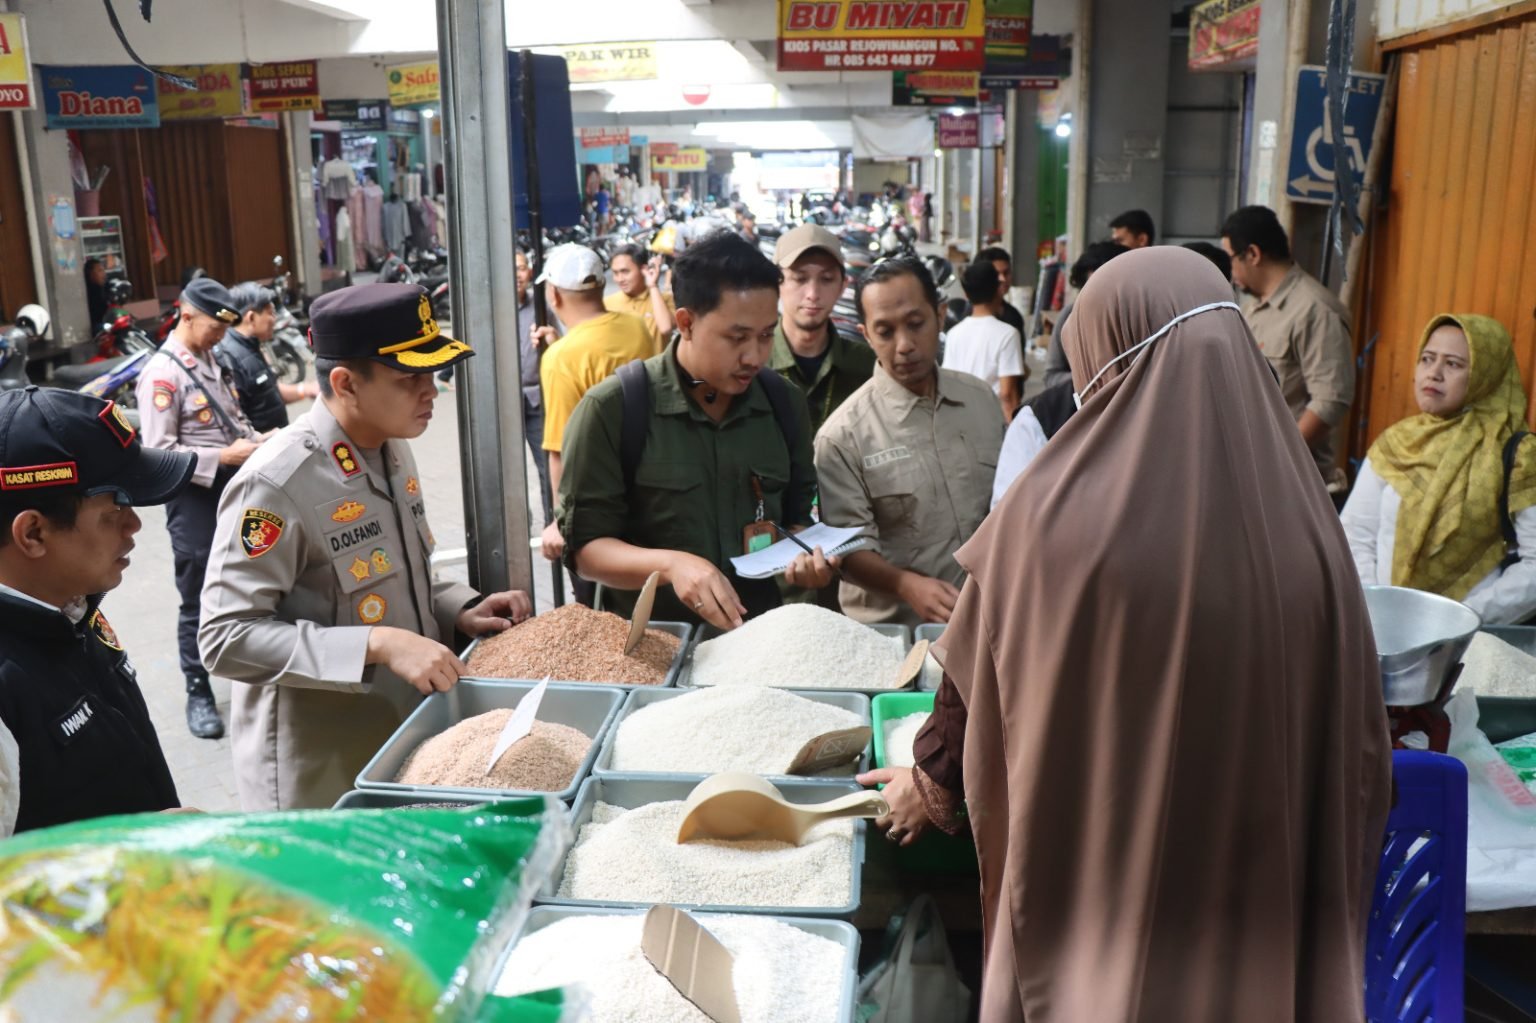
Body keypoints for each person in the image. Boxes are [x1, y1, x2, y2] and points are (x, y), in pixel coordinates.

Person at [862, 246, 1390, 1021]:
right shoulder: (1310, 523)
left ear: (1117, 359)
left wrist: (929, 776)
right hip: (1258, 907)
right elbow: (1363, 748)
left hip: (1107, 897)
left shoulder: (1051, 523)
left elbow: (974, 690)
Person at [199, 282, 533, 811]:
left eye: (433, 373)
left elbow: (389, 570)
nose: (431, 391)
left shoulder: (389, 443)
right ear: (345, 383)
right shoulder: (278, 482)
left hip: (399, 736)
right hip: (321, 771)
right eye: (410, 378)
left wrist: (459, 609)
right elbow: (224, 636)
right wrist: (376, 644)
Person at [555, 231, 837, 629]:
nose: (755, 356)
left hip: (759, 638)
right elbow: (585, 550)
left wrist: (808, 556)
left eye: (765, 334)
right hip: (652, 644)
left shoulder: (783, 404)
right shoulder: (614, 409)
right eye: (736, 337)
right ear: (685, 322)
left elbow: (798, 517)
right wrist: (670, 565)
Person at [0, 388, 196, 835]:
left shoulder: (68, 607)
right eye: (114, 511)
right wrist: (123, 858)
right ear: (33, 533)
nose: (134, 525)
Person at [815, 258, 1005, 627]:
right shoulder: (842, 436)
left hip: (989, 623)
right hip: (895, 637)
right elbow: (851, 549)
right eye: (885, 331)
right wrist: (905, 585)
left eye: (916, 324)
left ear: (940, 315)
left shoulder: (981, 400)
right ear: (866, 334)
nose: (904, 345)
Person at [135, 277, 265, 741]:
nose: (219, 337)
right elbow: (156, 452)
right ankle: (198, 689)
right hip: (193, 499)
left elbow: (231, 416)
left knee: (249, 579)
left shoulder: (212, 358)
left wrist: (256, 441)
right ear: (185, 315)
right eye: (213, 327)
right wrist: (222, 457)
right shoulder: (162, 375)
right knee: (197, 596)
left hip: (236, 489)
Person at [1342, 313, 1536, 623]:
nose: (1433, 373)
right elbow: (1355, 534)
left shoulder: (1518, 455)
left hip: (1470, 643)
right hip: (1381, 629)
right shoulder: (1395, 443)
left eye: (1454, 364)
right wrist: (1378, 608)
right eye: (1427, 359)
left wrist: (1457, 620)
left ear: (1485, 375)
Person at [535, 245, 656, 569]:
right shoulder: (636, 327)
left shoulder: (561, 358)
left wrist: (561, 520)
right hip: (650, 484)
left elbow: (560, 449)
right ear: (602, 286)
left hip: (597, 501)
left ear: (554, 295)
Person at [1221, 205, 1354, 481]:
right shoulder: (1252, 309)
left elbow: (1330, 400)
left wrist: (1276, 458)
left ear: (1253, 254)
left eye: (1230, 259)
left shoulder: (1315, 309)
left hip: (1292, 479)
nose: (1230, 271)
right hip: (1252, 471)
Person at [770, 224, 876, 436]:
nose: (813, 293)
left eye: (826, 279)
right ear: (776, 283)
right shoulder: (749, 364)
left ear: (842, 286)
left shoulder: (869, 367)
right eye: (800, 279)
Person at [215, 283, 320, 434]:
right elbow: (235, 422)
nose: (274, 318)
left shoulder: (251, 346)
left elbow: (268, 391)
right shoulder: (230, 357)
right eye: (270, 313)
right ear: (251, 317)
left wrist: (306, 389)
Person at [944, 260, 1026, 420]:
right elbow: (1007, 395)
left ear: (966, 295)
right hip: (992, 422)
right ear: (997, 290)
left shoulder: (953, 334)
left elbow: (947, 382)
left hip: (960, 421)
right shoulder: (1008, 334)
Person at [1042, 241, 1129, 389]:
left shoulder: (1140, 317)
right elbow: (1051, 377)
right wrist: (1092, 381)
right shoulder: (1070, 317)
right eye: (1090, 288)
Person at [513, 249, 555, 518]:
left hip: (537, 400)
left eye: (520, 268)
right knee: (509, 472)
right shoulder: (491, 311)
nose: (516, 275)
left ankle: (552, 522)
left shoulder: (541, 310)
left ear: (529, 272)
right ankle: (517, 526)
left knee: (547, 469)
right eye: (511, 269)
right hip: (505, 402)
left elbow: (559, 347)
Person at [604, 243, 676, 355]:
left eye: (625, 272)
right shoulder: (607, 303)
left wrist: (652, 285)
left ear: (643, 269)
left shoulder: (664, 300)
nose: (619, 279)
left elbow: (665, 328)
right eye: (615, 273)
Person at [973, 245, 1026, 337]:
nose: (1003, 279)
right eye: (996, 274)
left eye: (1006, 273)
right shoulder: (967, 316)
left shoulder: (1013, 316)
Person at [85, 257, 109, 329]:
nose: (103, 274)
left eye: (103, 270)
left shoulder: (105, 288)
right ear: (90, 274)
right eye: (99, 271)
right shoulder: (88, 292)